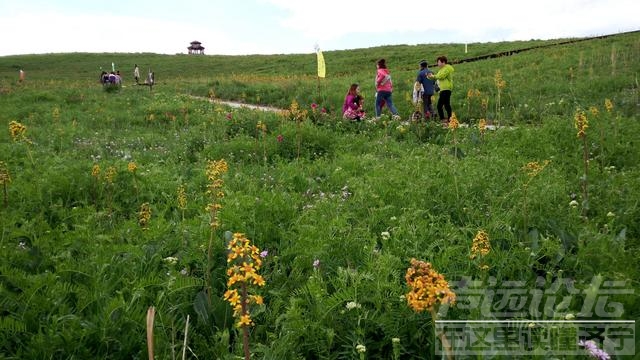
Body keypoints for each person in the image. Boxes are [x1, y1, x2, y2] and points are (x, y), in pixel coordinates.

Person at [428, 56, 454, 124]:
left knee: (439, 105)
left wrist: (433, 76)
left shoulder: (447, 68)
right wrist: (429, 76)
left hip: (446, 89)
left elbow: (441, 76)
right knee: (446, 105)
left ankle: (443, 119)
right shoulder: (441, 69)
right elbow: (437, 77)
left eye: (438, 62)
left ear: (443, 62)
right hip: (443, 89)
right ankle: (450, 119)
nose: (437, 64)